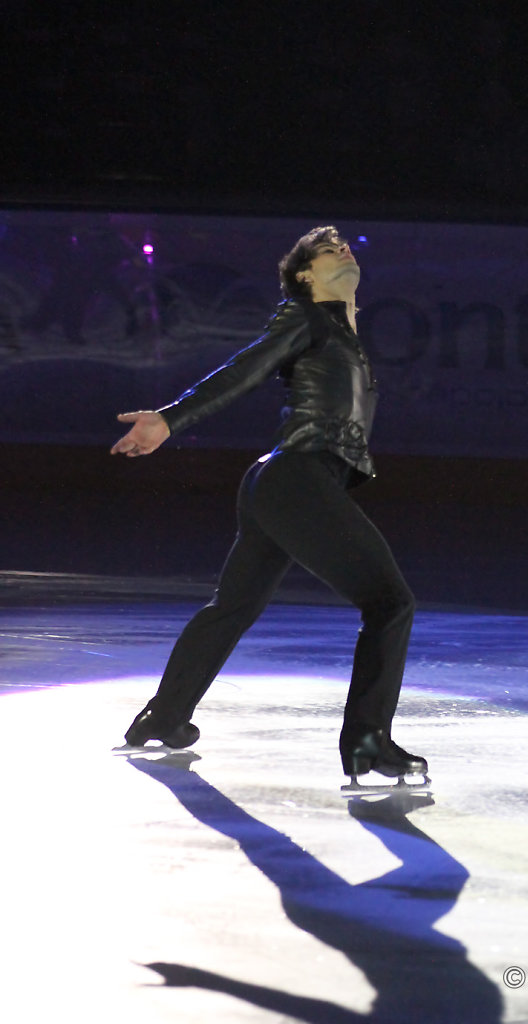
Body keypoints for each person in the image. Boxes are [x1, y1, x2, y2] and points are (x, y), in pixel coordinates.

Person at [111, 225, 428, 784]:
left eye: (347, 247)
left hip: (281, 484)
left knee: (232, 608)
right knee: (390, 603)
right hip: (295, 479)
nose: (345, 252)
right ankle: (368, 742)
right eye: (331, 251)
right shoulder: (302, 316)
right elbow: (247, 368)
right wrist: (169, 418)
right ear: (306, 275)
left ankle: (165, 716)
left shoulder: (338, 328)